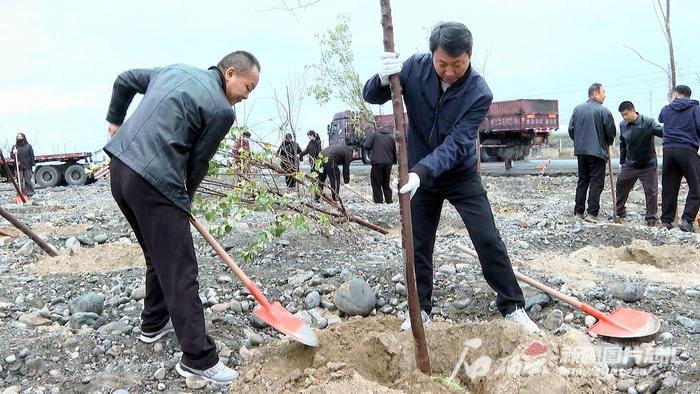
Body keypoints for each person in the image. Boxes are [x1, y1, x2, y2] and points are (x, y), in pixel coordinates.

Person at [363, 21, 539, 333]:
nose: (448, 72)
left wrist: (420, 171)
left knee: (487, 238)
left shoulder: (479, 93)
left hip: (459, 174)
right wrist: (381, 77)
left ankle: (512, 306)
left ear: (469, 57)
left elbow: (457, 143)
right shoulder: (415, 68)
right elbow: (373, 96)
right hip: (419, 174)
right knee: (418, 244)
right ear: (432, 55)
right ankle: (421, 310)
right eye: (442, 63)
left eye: (457, 65)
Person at [104, 51, 260, 385]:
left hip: (119, 171)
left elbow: (124, 80)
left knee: (157, 255)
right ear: (230, 73)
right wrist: (183, 201)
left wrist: (115, 122)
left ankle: (153, 323)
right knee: (181, 270)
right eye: (247, 87)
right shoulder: (221, 110)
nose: (245, 97)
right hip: (154, 182)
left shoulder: (173, 70)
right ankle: (198, 359)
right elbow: (197, 163)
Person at [568, 83, 617, 221]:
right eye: (603, 92)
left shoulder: (577, 109)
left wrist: (579, 142)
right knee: (596, 182)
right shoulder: (603, 111)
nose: (605, 95)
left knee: (583, 181)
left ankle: (578, 212)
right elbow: (611, 132)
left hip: (581, 151)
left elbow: (571, 129)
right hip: (597, 152)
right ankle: (592, 213)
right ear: (595, 93)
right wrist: (607, 142)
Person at [658, 84, 700, 232]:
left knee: (669, 187)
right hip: (687, 150)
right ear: (690, 95)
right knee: (697, 186)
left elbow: (661, 118)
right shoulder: (695, 109)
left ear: (675, 95)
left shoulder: (666, 109)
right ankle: (687, 220)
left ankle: (666, 222)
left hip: (668, 150)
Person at [615, 101, 663, 226]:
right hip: (630, 164)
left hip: (648, 164)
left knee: (651, 191)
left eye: (626, 114)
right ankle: (620, 212)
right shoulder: (623, 125)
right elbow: (623, 145)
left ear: (633, 111)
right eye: (622, 116)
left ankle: (651, 218)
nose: (624, 118)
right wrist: (622, 162)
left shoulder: (648, 122)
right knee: (621, 185)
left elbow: (661, 132)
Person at [363, 126, 397, 203]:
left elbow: (366, 145)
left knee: (376, 183)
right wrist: (393, 161)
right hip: (388, 164)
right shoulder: (391, 137)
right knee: (386, 183)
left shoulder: (375, 134)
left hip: (377, 163)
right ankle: (389, 200)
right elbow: (395, 151)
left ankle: (379, 201)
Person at [10, 132, 35, 197]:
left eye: (20, 136)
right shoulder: (15, 147)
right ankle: (20, 193)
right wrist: (13, 153)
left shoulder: (28, 146)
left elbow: (32, 156)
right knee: (20, 181)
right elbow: (12, 156)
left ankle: (29, 193)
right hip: (19, 167)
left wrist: (33, 165)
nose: (19, 138)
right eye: (18, 137)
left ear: (23, 137)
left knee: (28, 180)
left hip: (27, 166)